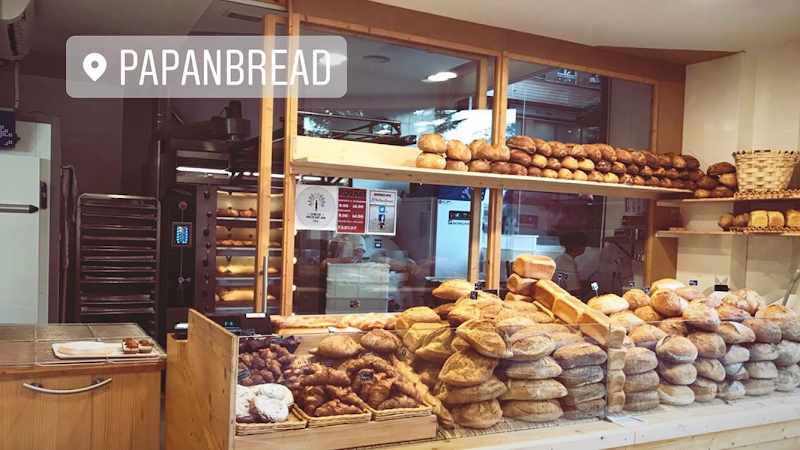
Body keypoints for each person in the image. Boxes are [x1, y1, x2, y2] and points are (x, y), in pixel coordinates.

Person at [555, 231, 588, 297]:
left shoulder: (560, 258)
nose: (585, 247)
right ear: (575, 246)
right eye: (583, 244)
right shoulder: (568, 264)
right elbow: (575, 291)